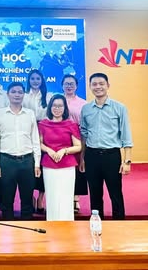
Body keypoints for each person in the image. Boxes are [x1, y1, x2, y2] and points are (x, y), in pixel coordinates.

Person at [80, 73, 133, 220]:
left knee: (115, 193)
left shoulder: (119, 108)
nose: (98, 87)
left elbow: (126, 135)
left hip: (111, 156)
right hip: (92, 156)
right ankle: (97, 225)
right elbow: (84, 134)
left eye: (101, 83)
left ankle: (119, 224)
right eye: (94, 84)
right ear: (90, 87)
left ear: (108, 85)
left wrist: (127, 161)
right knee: (95, 194)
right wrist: (82, 158)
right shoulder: (86, 109)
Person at [0, 82, 41, 220]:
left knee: (27, 200)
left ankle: (27, 229)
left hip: (27, 161)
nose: (17, 95)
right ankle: (8, 228)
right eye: (13, 92)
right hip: (6, 161)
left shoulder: (30, 114)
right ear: (8, 94)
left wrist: (37, 163)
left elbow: (35, 139)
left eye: (20, 92)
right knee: (6, 201)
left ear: (24, 94)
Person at [38, 94, 82, 221]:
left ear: (65, 108)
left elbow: (78, 146)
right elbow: (39, 143)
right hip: (49, 165)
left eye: (60, 106)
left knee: (66, 197)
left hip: (67, 166)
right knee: (52, 196)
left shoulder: (71, 124)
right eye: (54, 105)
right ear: (50, 107)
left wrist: (64, 151)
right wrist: (49, 150)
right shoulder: (43, 124)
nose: (57, 108)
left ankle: (67, 224)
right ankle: (52, 223)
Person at [23, 69, 50, 214]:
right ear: (29, 80)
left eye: (38, 79)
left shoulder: (48, 96)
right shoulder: (24, 95)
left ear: (42, 80)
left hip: (44, 130)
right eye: (32, 78)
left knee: (43, 166)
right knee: (30, 166)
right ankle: (31, 197)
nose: (35, 81)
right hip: (26, 131)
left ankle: (40, 198)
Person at [62, 74, 88, 213]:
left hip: (77, 136)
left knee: (77, 167)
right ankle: (63, 198)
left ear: (76, 86)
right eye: (66, 83)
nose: (69, 86)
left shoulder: (83, 103)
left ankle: (75, 198)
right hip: (60, 137)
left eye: (71, 84)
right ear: (62, 85)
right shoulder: (57, 100)